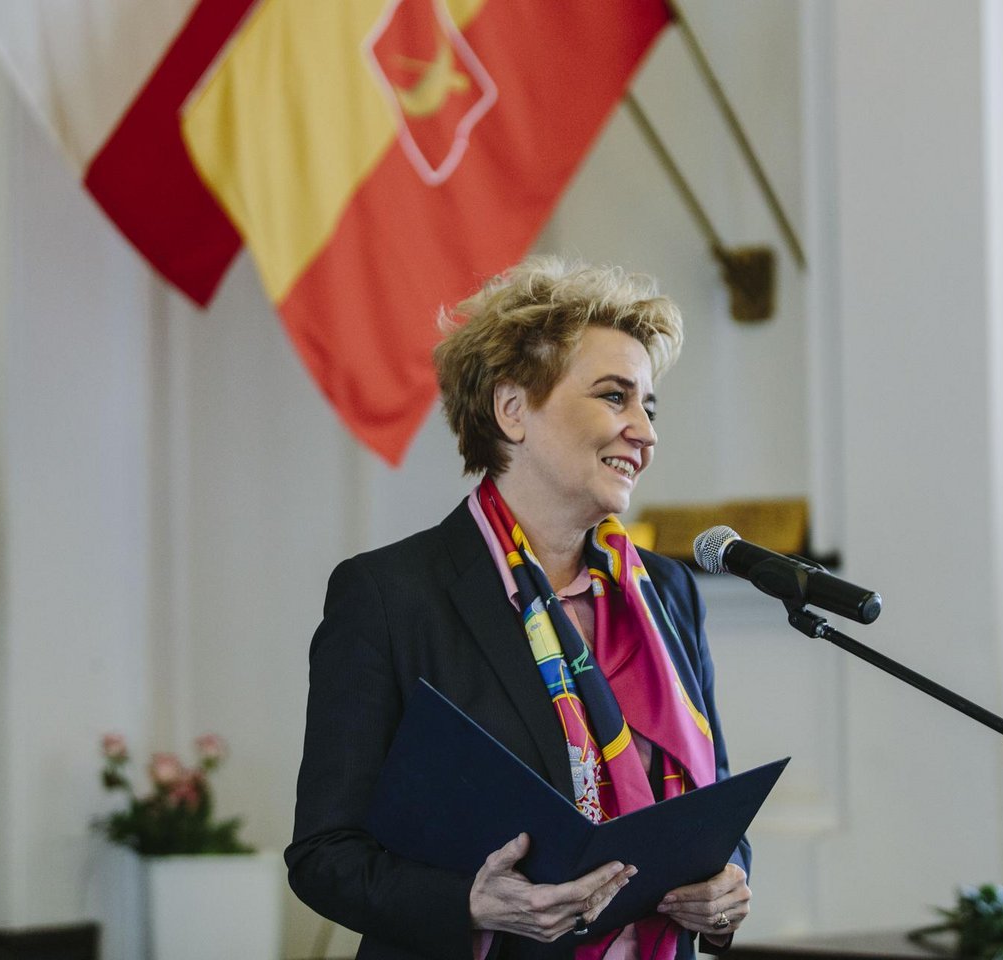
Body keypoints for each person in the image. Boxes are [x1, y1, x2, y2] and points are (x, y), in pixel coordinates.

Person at [286, 257, 751, 960]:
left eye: (649, 408)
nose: (645, 432)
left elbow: (714, 807)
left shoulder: (668, 591)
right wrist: (472, 904)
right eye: (615, 397)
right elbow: (324, 855)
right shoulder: (389, 596)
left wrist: (728, 885)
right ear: (512, 410)